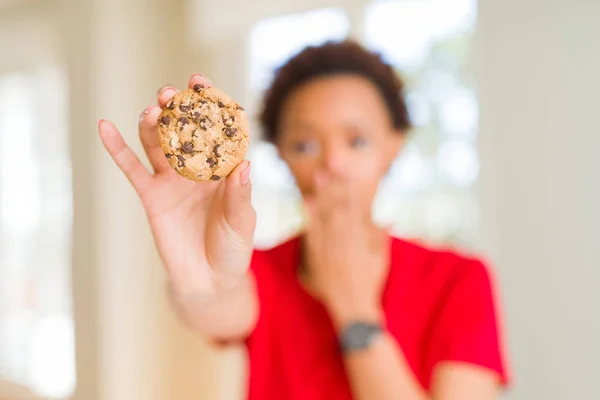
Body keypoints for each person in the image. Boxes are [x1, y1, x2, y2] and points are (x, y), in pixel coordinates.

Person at [98, 40, 510, 400]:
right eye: (305, 143)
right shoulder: (261, 273)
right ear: (281, 155)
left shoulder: (461, 280)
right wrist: (198, 279)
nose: (332, 163)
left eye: (357, 140)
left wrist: (353, 309)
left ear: (394, 147)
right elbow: (214, 301)